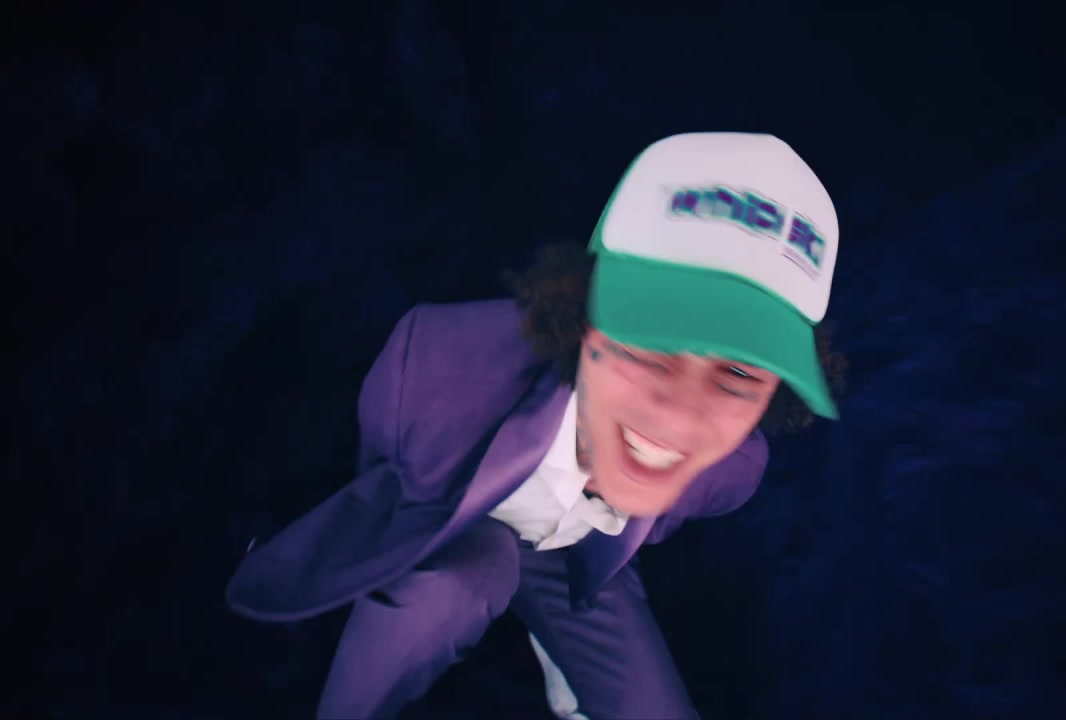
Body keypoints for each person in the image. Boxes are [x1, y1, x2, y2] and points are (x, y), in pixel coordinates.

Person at [225, 132, 847, 719]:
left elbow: (652, 517)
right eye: (651, 336)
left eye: (738, 371)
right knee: (457, 586)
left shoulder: (734, 471)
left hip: (576, 563)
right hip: (459, 527)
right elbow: (383, 475)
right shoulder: (433, 364)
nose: (679, 414)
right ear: (580, 312)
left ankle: (557, 650)